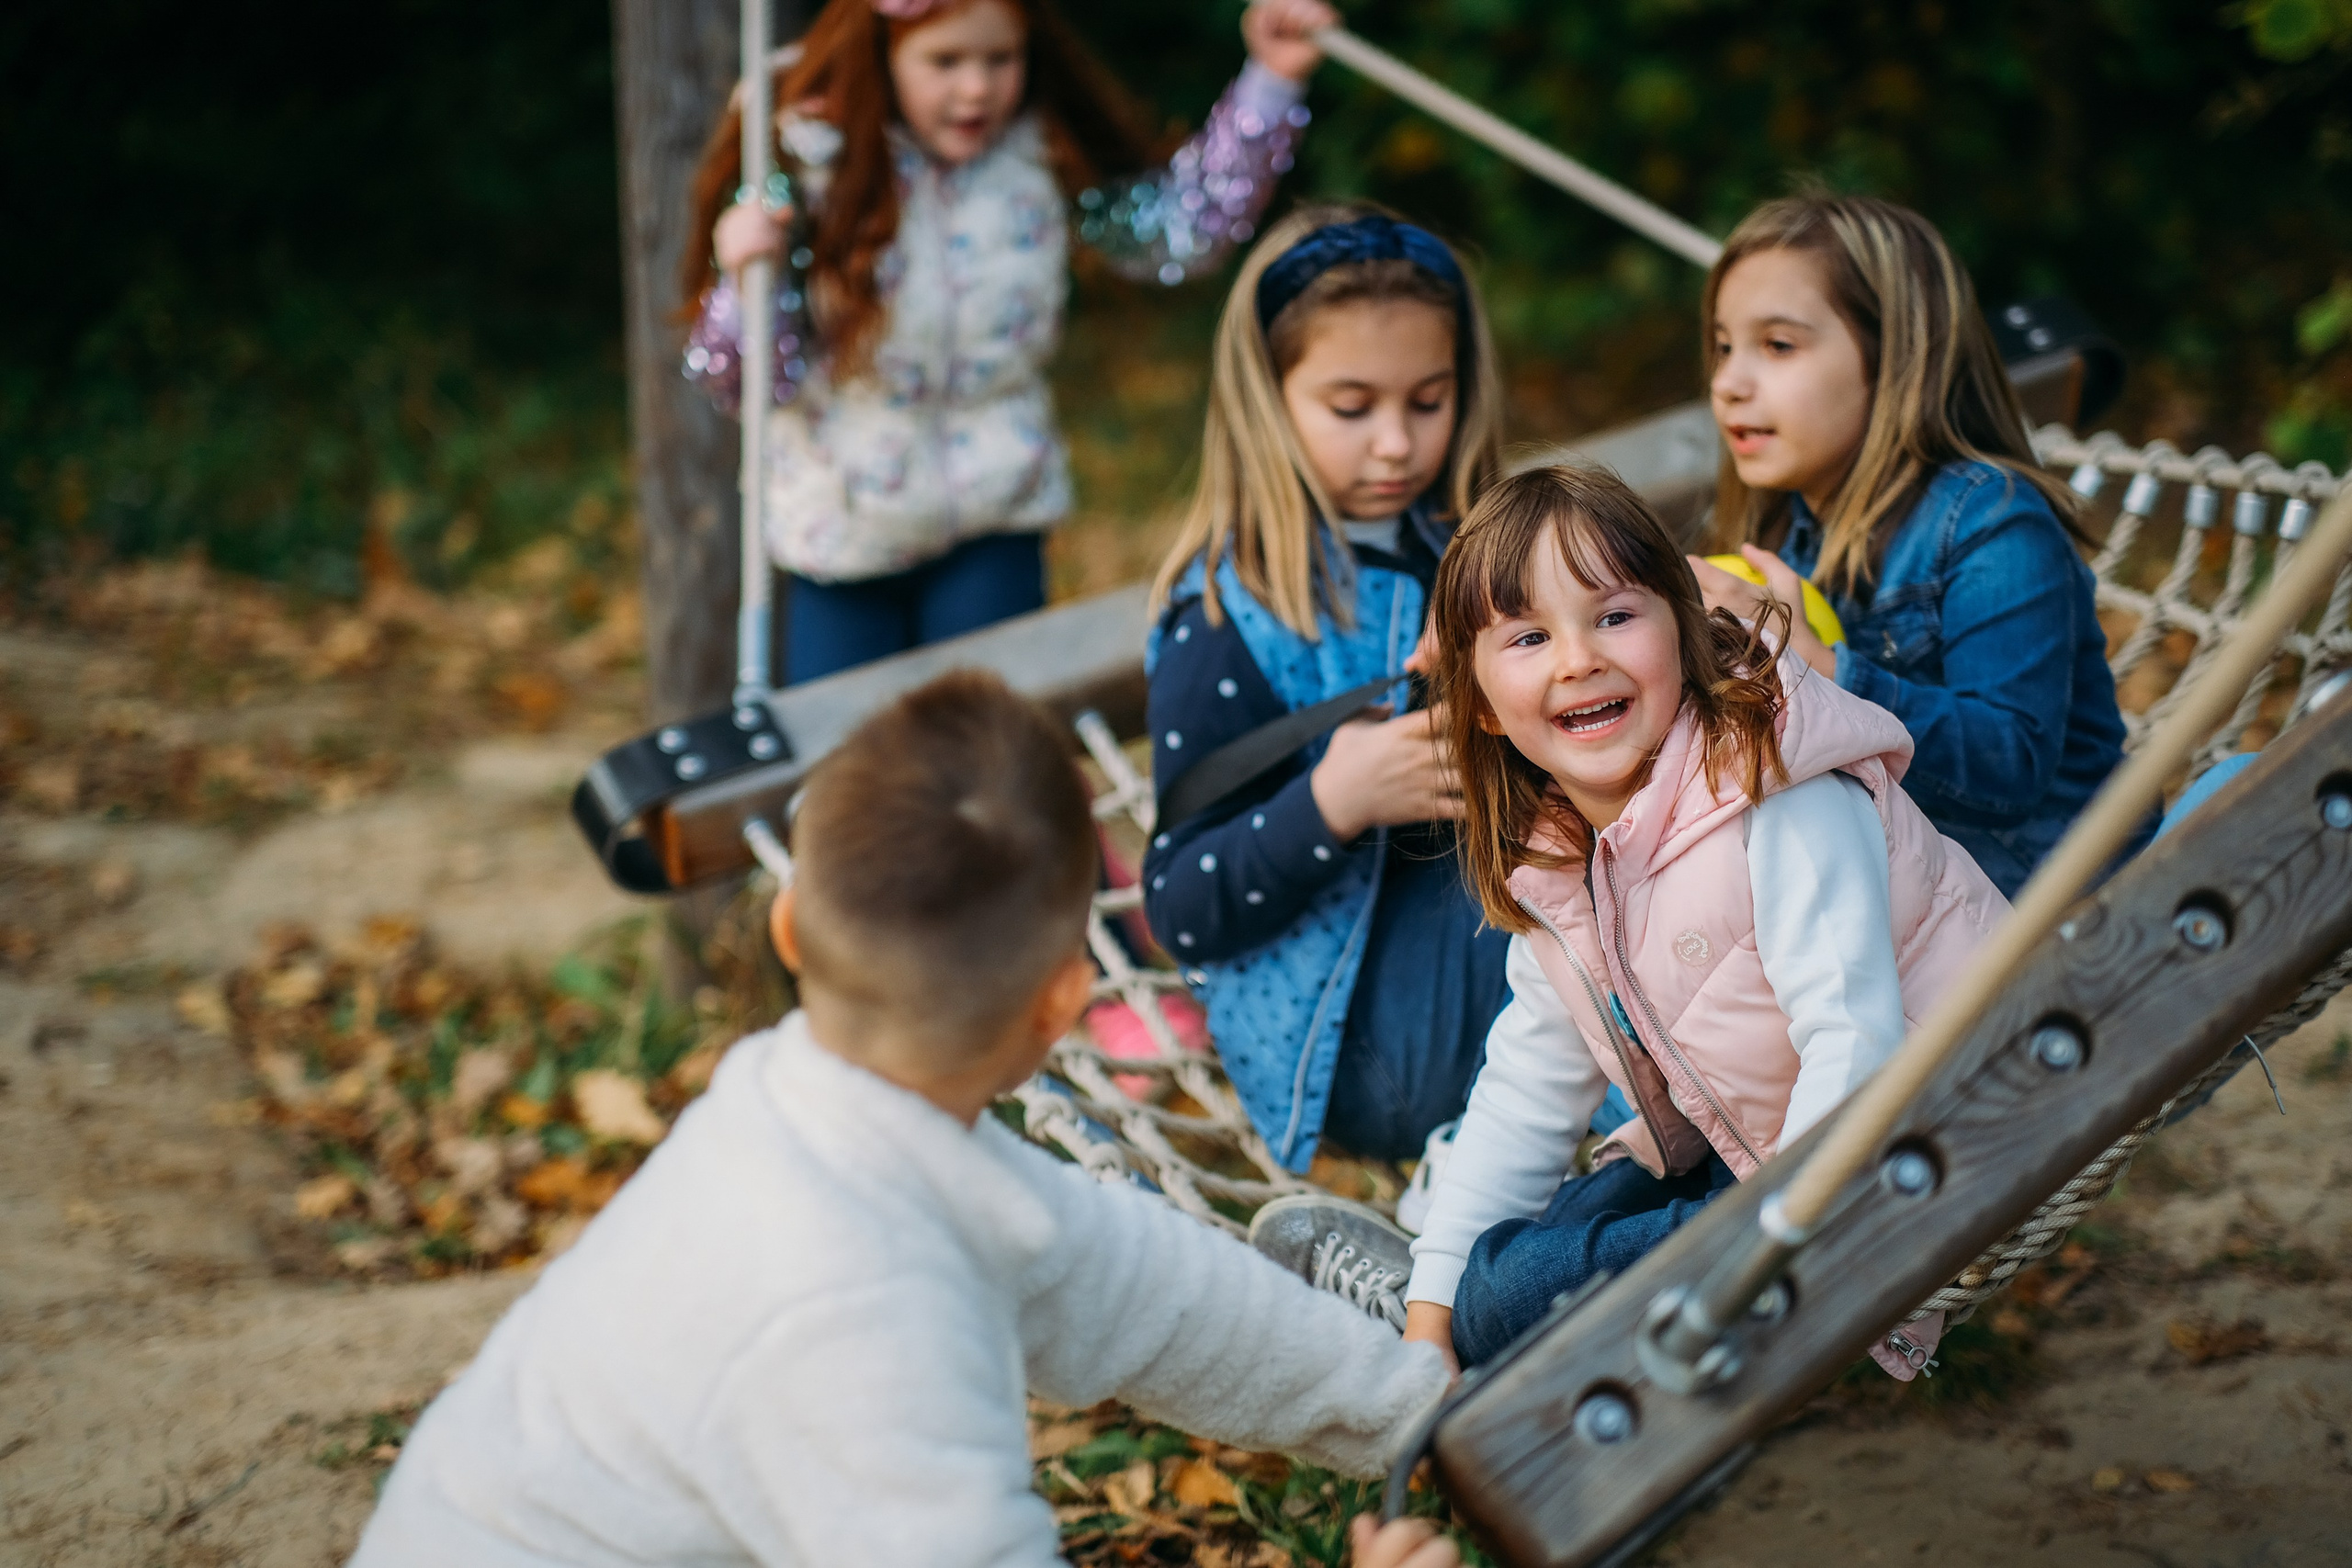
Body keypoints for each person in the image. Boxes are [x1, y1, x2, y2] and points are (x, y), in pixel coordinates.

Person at [350, 670, 1458, 1568]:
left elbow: (1149, 1292)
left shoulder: (844, 1128)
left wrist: (1420, 1410)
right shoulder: (855, 1317)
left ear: (789, 926)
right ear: (1065, 1006)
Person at [1254, 466, 2008, 1379]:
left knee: (1523, 1287)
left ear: (1682, 634)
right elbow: (1527, 1088)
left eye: (1614, 616)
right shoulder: (1564, 863)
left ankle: (1463, 1328)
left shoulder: (1776, 790)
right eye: (1530, 636)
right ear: (1482, 707)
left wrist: (1776, 1246)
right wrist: (1432, 1309)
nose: (1578, 658)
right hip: (1759, 1156)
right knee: (1540, 1241)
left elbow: (1852, 1040)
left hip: (1910, 1157)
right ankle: (1422, 1319)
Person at [682, 0, 1337, 683]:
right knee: (852, 765)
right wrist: (739, 285)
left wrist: (1272, 80)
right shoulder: (809, 167)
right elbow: (743, 381)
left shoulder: (1042, 157)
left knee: (992, 756)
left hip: (995, 517)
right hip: (839, 535)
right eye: (945, 61)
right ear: (881, 57)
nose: (977, 87)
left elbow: (1185, 226)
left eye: (1001, 59)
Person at [1141, 200, 1577, 1191]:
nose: (1395, 444)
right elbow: (1180, 908)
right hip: (1358, 1046)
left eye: (1428, 402)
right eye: (1351, 408)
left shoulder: (1476, 546)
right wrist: (1331, 803)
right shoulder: (1224, 618)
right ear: (1270, 399)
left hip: (1499, 980)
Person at [1688, 192, 2144, 898]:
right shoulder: (1787, 547)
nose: (1729, 384)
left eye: (1777, 346)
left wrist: (1824, 673)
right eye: (1722, 348)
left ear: (1897, 356)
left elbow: (2010, 763)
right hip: (1913, 919)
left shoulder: (1991, 519)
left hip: (2062, 911)